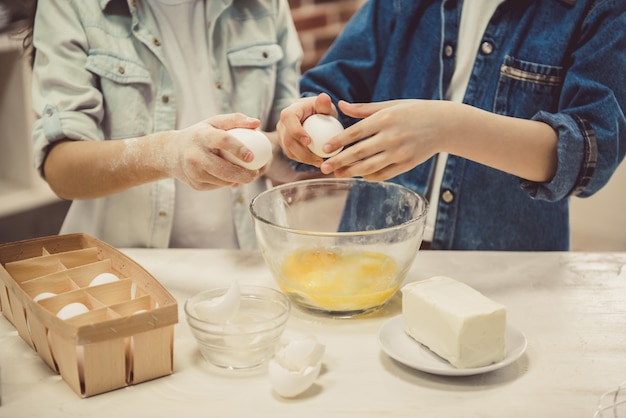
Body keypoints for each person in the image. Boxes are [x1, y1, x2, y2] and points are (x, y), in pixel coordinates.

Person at [277, 0, 626, 251]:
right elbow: (333, 90)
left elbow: (590, 153)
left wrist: (449, 126)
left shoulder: (596, 9)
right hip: (375, 250)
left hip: (503, 267)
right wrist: (309, 117)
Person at [21, 0, 309, 249]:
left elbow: (281, 149)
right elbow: (61, 171)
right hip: (126, 269)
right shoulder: (72, 6)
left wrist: (297, 145)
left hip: (247, 258)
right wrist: (167, 154)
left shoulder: (263, 4)